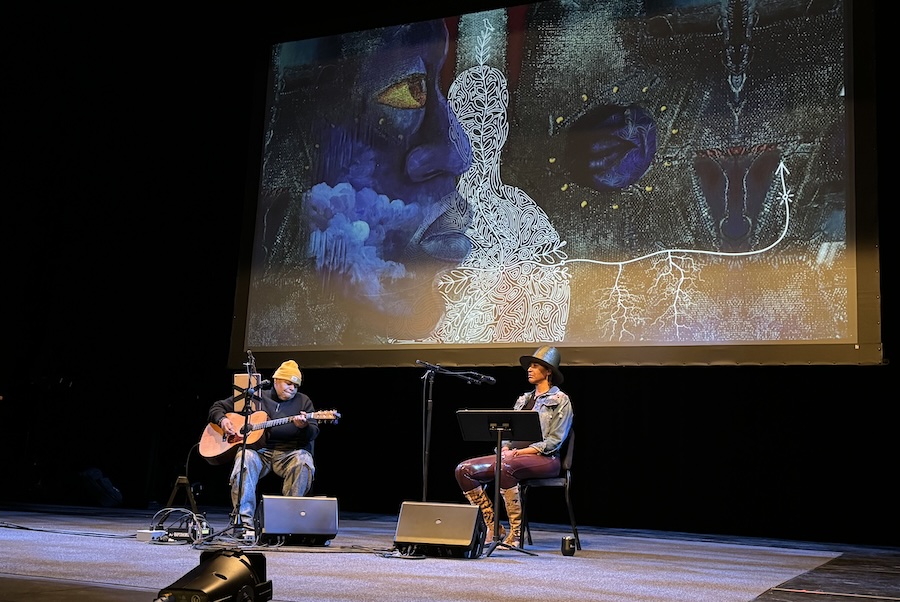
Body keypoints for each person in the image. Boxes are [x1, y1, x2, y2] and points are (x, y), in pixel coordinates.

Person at [455, 345, 574, 548]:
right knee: (464, 470)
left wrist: (521, 452)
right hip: (512, 458)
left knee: (506, 465)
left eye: (535, 366)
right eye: (529, 366)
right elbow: (509, 430)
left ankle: (515, 534)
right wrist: (505, 447)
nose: (529, 369)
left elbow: (555, 440)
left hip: (546, 459)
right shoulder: (523, 399)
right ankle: (492, 526)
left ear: (548, 372)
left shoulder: (561, 400)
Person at [208, 359, 319, 538]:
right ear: (276, 381)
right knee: (245, 457)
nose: (292, 388)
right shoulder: (257, 397)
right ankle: (244, 523)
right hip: (259, 452)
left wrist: (303, 427)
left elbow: (313, 432)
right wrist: (223, 420)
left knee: (304, 461)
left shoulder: (303, 402)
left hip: (289, 453)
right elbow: (217, 407)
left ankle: (288, 521)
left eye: (296, 386)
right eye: (288, 383)